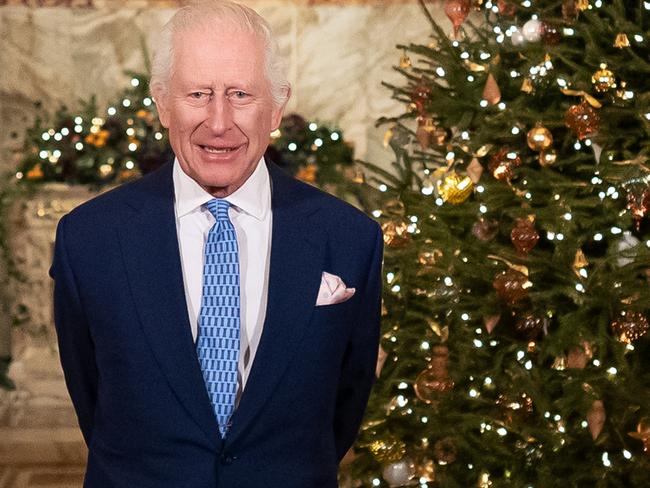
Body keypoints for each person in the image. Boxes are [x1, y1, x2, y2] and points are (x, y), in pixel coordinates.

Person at [49, 1, 383, 486]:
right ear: (162, 102)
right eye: (198, 93)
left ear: (277, 105)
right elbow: (92, 395)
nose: (220, 121)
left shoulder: (350, 238)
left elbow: (344, 404)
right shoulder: (89, 240)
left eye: (242, 94)